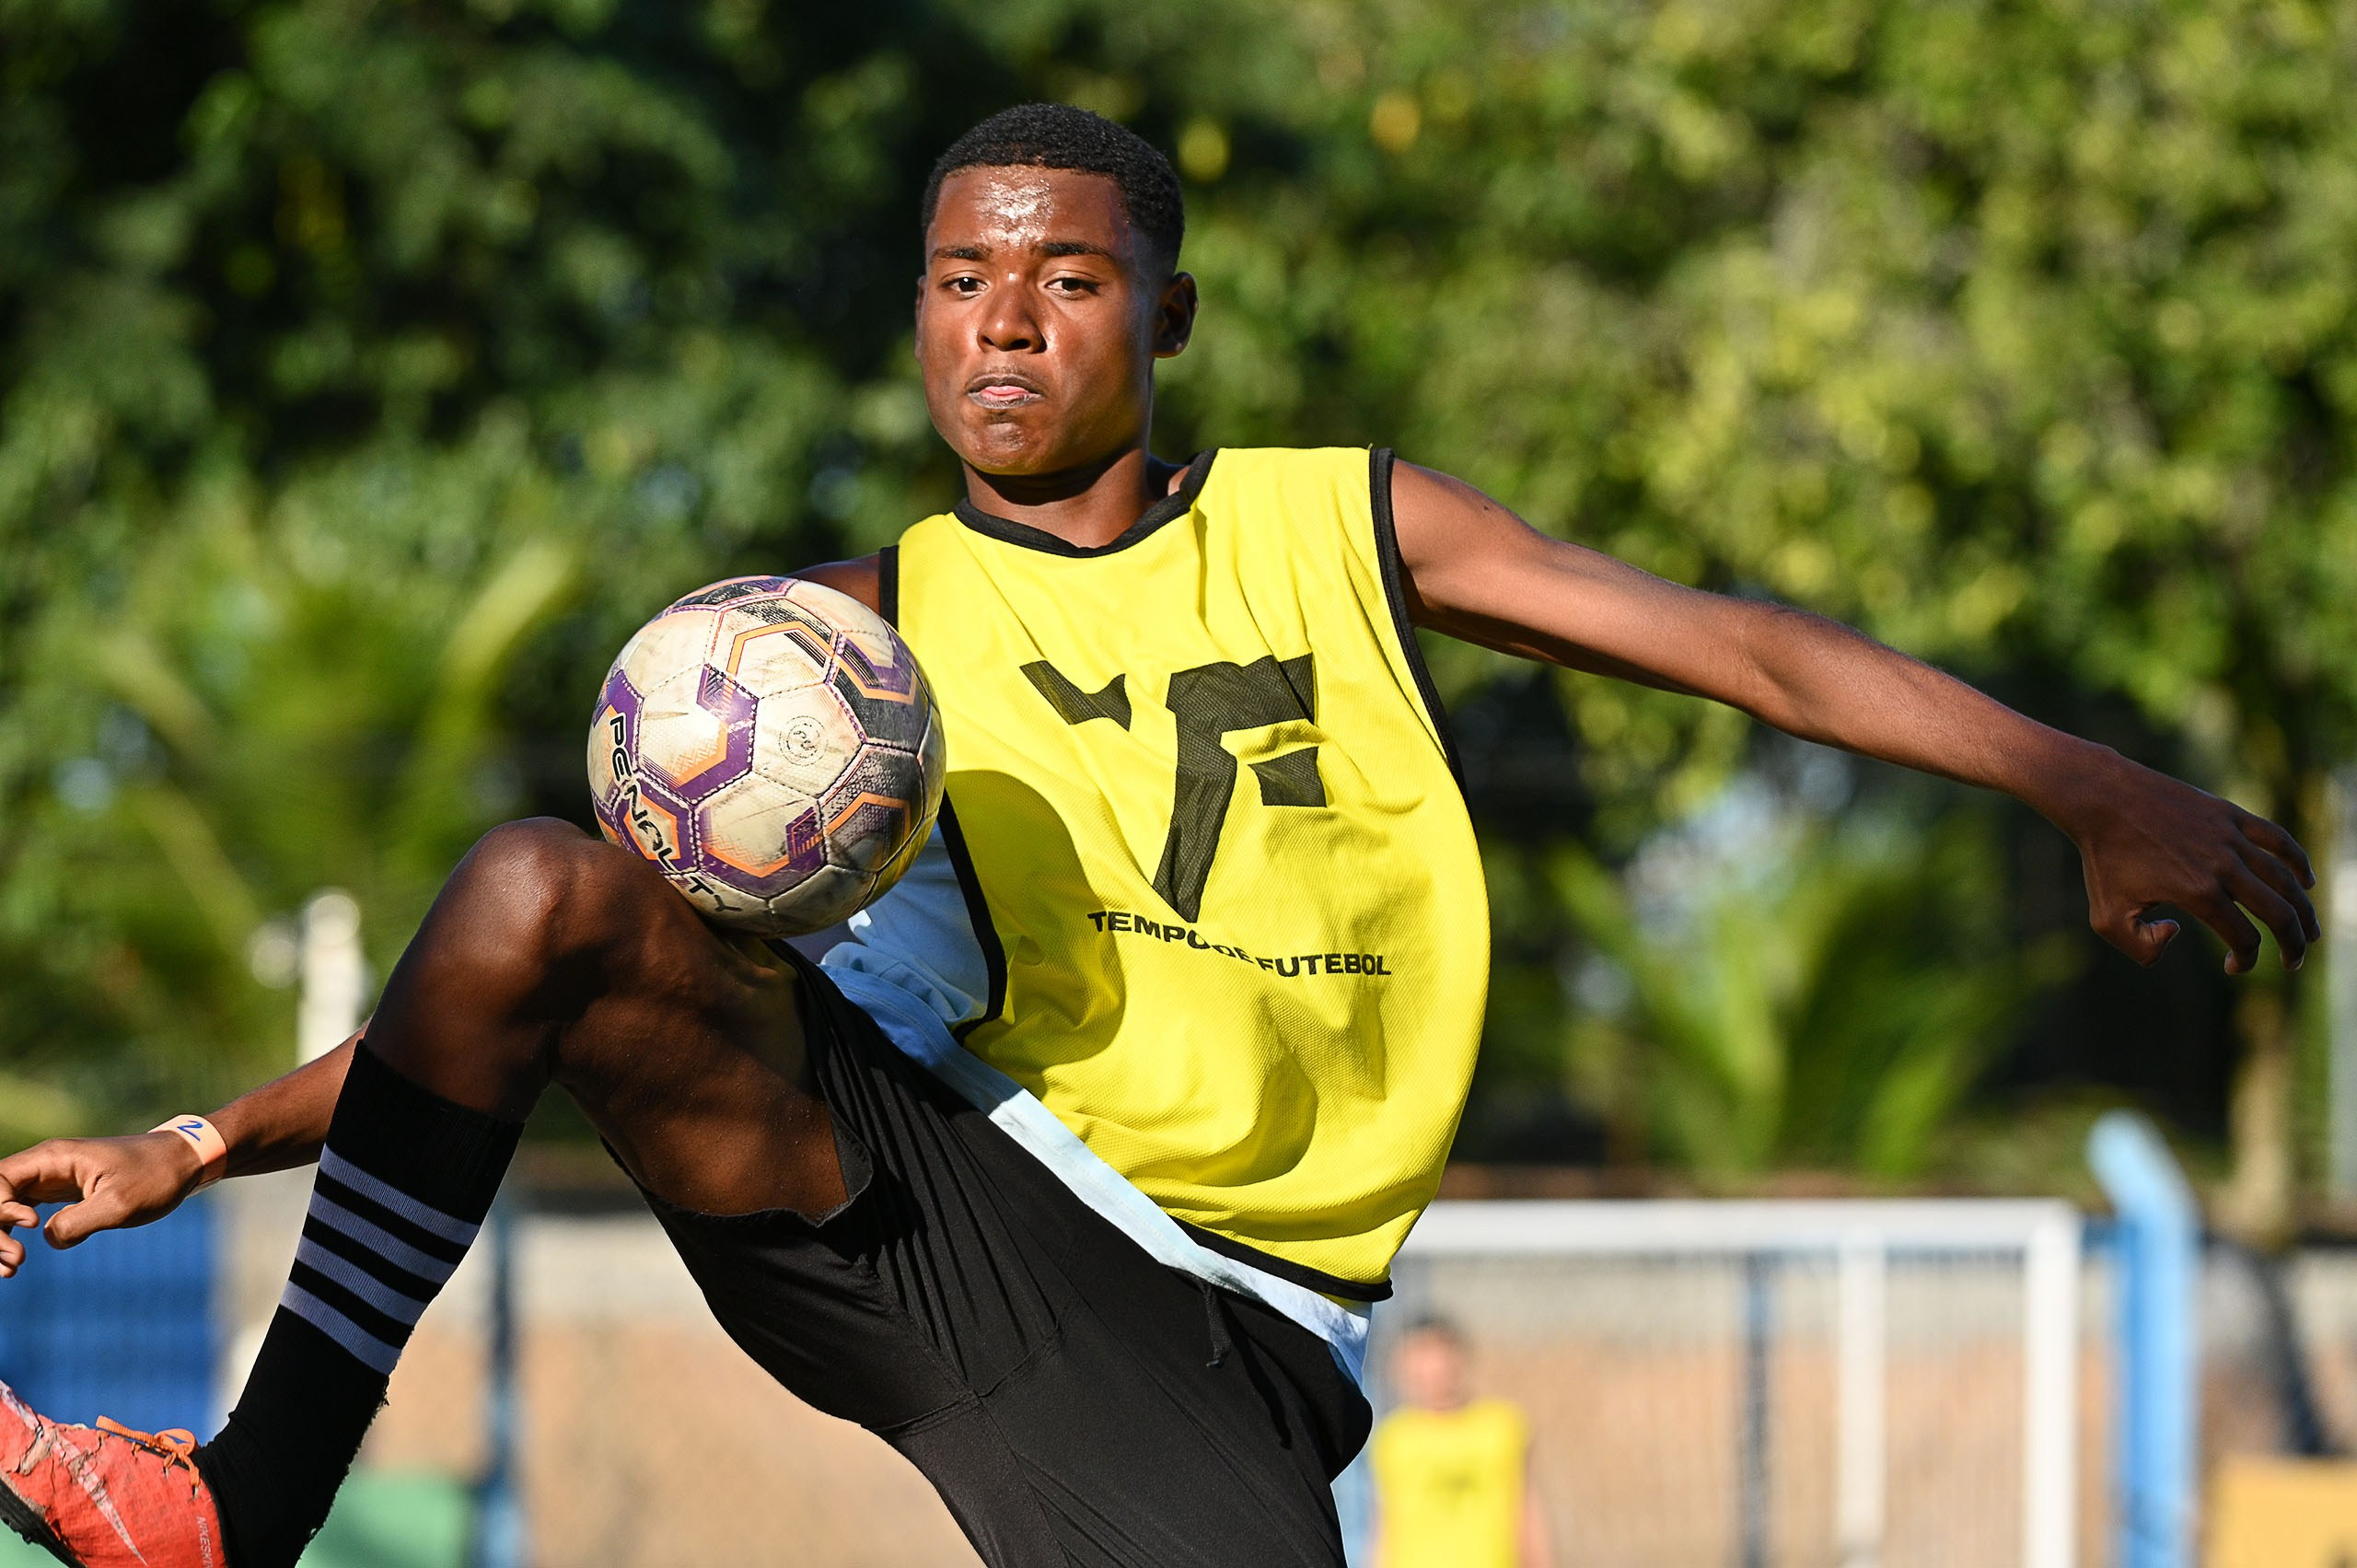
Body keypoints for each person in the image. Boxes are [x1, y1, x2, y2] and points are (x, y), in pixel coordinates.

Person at [0, 103, 2318, 1568]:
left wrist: (2086, 780)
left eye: (1066, 275)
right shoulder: (846, 651)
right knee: (536, 886)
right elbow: (536, 1000)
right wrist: (205, 1141)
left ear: (1164, 318)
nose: (1002, 318)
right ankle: (250, 1493)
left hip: (1212, 1321)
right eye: (958, 275)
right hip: (926, 1183)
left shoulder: (1348, 527)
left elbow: (1743, 649)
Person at [1368, 1318, 1550, 1568]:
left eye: (1442, 1353)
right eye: (1423, 1355)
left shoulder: (1502, 1427)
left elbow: (1528, 1515)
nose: (1435, 1368)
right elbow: (1385, 1525)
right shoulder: (1394, 1438)